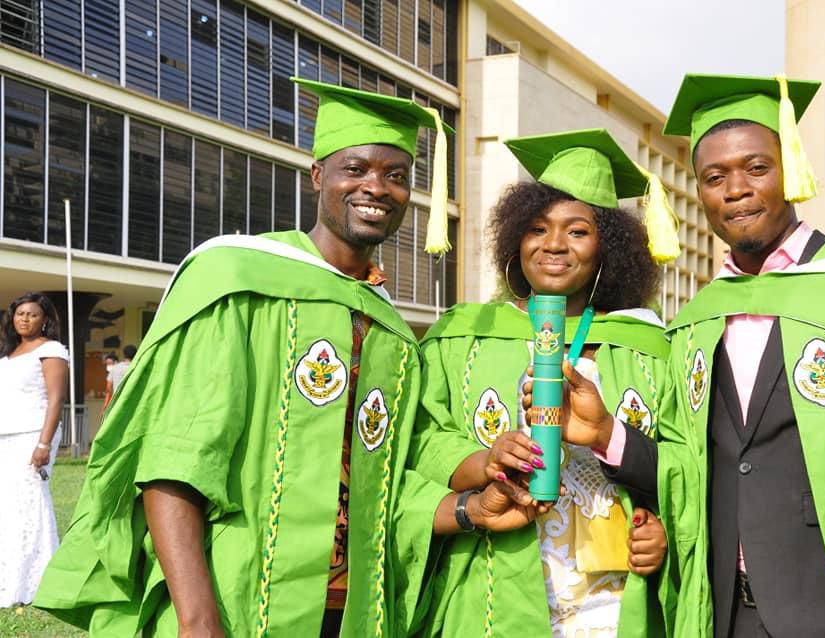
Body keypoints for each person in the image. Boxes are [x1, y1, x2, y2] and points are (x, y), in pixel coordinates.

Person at [35, 80, 546, 637]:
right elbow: (175, 459)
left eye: (396, 176)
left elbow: (387, 483)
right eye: (356, 169)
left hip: (355, 611)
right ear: (318, 176)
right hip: (239, 599)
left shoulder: (391, 331)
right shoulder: (237, 280)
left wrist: (473, 504)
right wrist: (198, 618)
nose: (377, 187)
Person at [532, 74, 825, 637]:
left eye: (756, 168)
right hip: (725, 616)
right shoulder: (696, 323)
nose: (735, 189)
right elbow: (692, 473)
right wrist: (606, 433)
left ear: (793, 173)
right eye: (714, 177)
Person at [412, 129, 679, 637]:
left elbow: (688, 463)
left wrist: (662, 530)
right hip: (495, 580)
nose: (554, 244)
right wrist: (483, 460)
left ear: (608, 249)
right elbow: (421, 437)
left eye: (577, 232)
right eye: (538, 229)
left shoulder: (649, 347)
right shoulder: (463, 335)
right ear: (517, 239)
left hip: (615, 593)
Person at [0, 292, 68, 607]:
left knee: (30, 503)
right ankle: (8, 575)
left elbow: (56, 400)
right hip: (6, 435)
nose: (25, 319)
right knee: (7, 506)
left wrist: (43, 443)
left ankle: (35, 580)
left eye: (32, 314)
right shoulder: (8, 354)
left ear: (44, 320)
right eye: (20, 314)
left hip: (33, 434)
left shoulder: (52, 350)